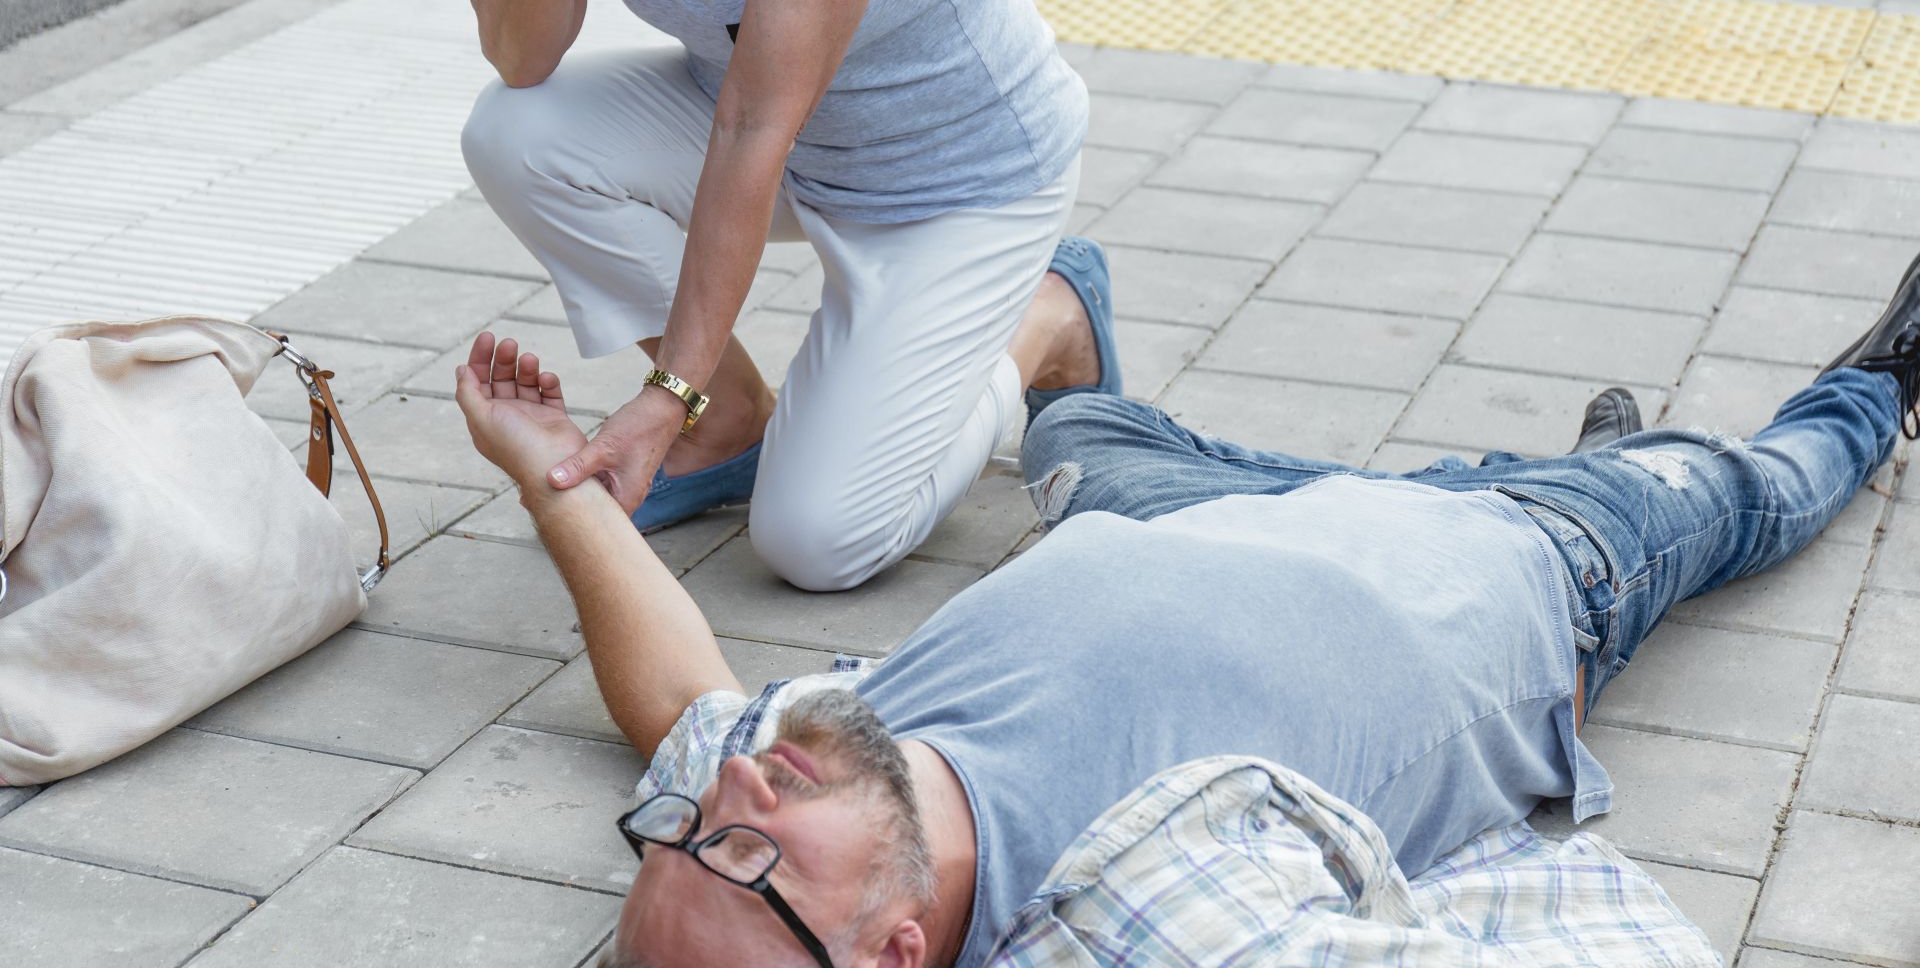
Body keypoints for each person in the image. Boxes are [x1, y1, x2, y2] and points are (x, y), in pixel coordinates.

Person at [448, 255, 1920, 968]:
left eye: (694, 826)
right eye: (749, 847)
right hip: (1524, 565)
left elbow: (675, 702)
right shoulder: (1144, 927)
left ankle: (1064, 322)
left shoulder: (804, 769)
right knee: (1749, 485)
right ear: (898, 950)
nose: (736, 789)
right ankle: (1879, 385)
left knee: (1073, 441)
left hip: (1182, 516)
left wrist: (544, 476)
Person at [461, 0, 1117, 592]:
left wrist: (660, 399)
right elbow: (517, 53)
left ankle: (1048, 314)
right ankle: (725, 419)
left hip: (949, 178)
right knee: (515, 131)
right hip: (776, 136)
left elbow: (754, 124)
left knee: (818, 541)